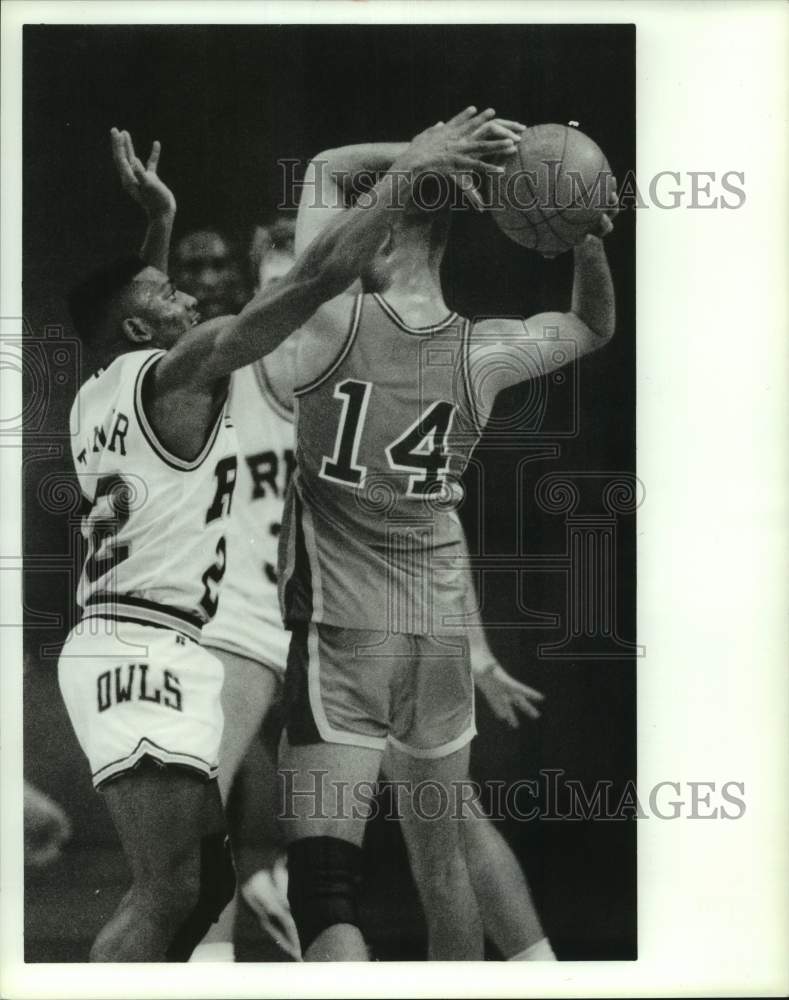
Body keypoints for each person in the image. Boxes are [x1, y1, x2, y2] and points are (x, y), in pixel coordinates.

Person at [56, 122, 463, 962]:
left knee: (196, 884)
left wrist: (158, 221)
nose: (187, 295)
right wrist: (408, 172)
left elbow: (131, 313)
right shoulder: (182, 368)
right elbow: (314, 280)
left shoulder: (101, 389)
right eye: (168, 291)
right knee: (170, 891)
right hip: (148, 648)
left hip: (129, 642)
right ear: (141, 331)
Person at [277, 106, 618, 961]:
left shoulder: (326, 320)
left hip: (346, 632)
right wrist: (583, 238)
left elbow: (325, 165)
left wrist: (429, 153)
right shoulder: (482, 353)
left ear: (384, 236)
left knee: (323, 886)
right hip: (435, 640)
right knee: (443, 870)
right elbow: (592, 326)